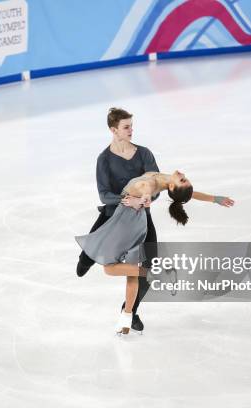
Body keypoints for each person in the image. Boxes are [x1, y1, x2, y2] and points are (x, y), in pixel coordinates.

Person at [76, 170, 234, 334]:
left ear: (173, 185)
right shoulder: (165, 180)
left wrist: (141, 201)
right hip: (134, 221)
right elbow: (189, 194)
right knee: (131, 273)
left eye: (183, 179)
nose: (183, 174)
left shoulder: (150, 184)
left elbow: (146, 192)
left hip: (127, 222)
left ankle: (155, 275)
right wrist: (215, 199)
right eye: (185, 179)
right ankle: (127, 318)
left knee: (109, 267)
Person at [76, 107, 160, 333]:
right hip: (115, 216)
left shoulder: (144, 154)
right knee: (93, 251)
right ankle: (87, 256)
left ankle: (130, 311)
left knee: (151, 266)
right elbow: (104, 195)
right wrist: (128, 200)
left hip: (141, 218)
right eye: (126, 127)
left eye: (131, 125)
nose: (131, 130)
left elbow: (156, 184)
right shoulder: (104, 159)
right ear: (113, 130)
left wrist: (148, 197)